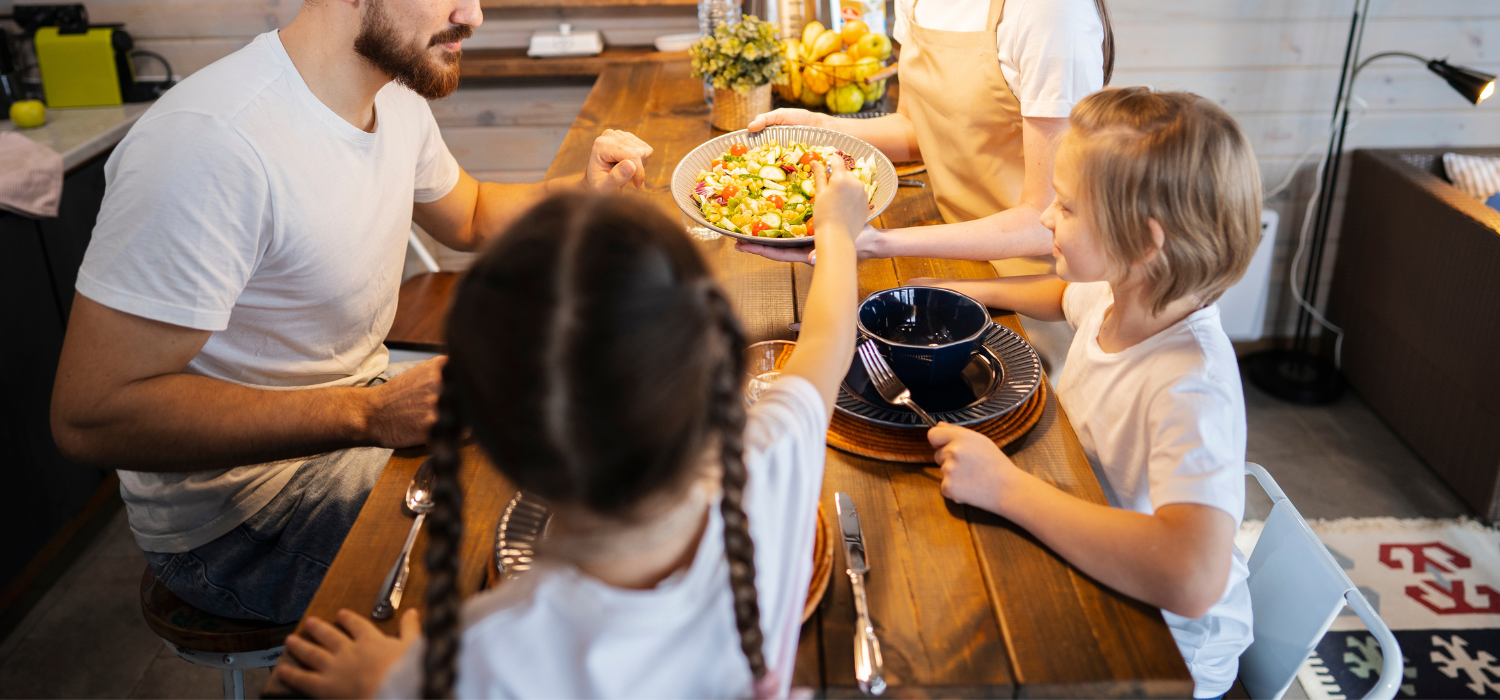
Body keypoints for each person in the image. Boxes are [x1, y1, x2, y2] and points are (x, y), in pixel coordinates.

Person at [48, 0, 652, 625]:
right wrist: (370, 414)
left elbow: (471, 214)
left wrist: (583, 193)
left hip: (354, 411)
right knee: (545, 560)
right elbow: (91, 417)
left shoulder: (393, 93)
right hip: (240, 516)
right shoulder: (209, 142)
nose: (473, 15)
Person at [269, 159, 866, 698]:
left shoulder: (481, 658)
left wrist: (386, 681)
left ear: (490, 446)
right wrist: (835, 231)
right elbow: (828, 339)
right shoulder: (768, 464)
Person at [914, 87, 1259, 699]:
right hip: (1087, 532)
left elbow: (1193, 578)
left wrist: (1006, 488)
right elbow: (1060, 297)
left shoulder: (1190, 383)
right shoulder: (1126, 290)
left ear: (1145, 242)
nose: (1047, 217)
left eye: (1068, 207)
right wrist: (962, 292)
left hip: (1164, 650)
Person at [740, 0, 1113, 275]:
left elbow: (1045, 219)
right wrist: (819, 128)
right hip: (953, 248)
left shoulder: (1052, 12)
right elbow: (918, 127)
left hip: (1034, 282)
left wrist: (879, 242)